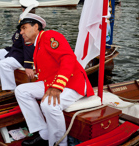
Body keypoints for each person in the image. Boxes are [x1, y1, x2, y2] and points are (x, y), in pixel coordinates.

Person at [15, 14, 94, 146]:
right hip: (52, 82)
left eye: (24, 27)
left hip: (74, 82)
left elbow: (67, 58)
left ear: (36, 27)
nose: (21, 32)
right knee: (21, 90)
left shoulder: (50, 36)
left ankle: (59, 143)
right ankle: (44, 133)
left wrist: (57, 86)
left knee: (49, 105)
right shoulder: (37, 44)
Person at [0, 0, 39, 93]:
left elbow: (29, 45)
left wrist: (28, 65)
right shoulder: (25, 20)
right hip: (16, 50)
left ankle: (11, 90)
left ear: (23, 9)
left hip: (23, 54)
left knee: (4, 64)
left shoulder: (30, 24)